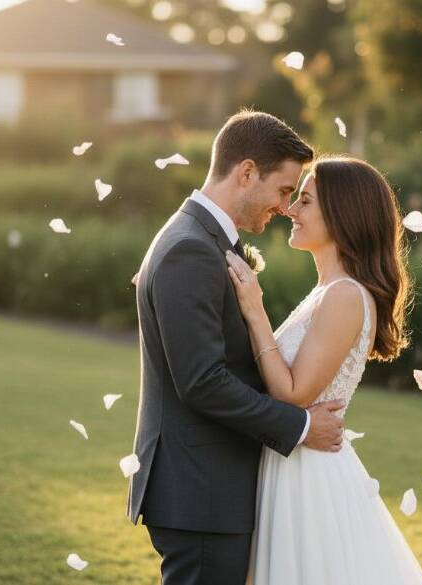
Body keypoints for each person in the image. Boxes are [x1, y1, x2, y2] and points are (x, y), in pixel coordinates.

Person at [126, 110, 346, 585]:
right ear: (247, 172)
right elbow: (202, 382)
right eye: (283, 190)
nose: (285, 207)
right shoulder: (190, 249)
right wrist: (301, 426)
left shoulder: (202, 239)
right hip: (200, 490)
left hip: (207, 488)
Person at [225, 155, 422, 584]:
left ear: (342, 214)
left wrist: (255, 310)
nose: (290, 210)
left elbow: (293, 393)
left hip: (308, 476)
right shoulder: (326, 291)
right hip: (291, 461)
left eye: (305, 201)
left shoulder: (344, 296)